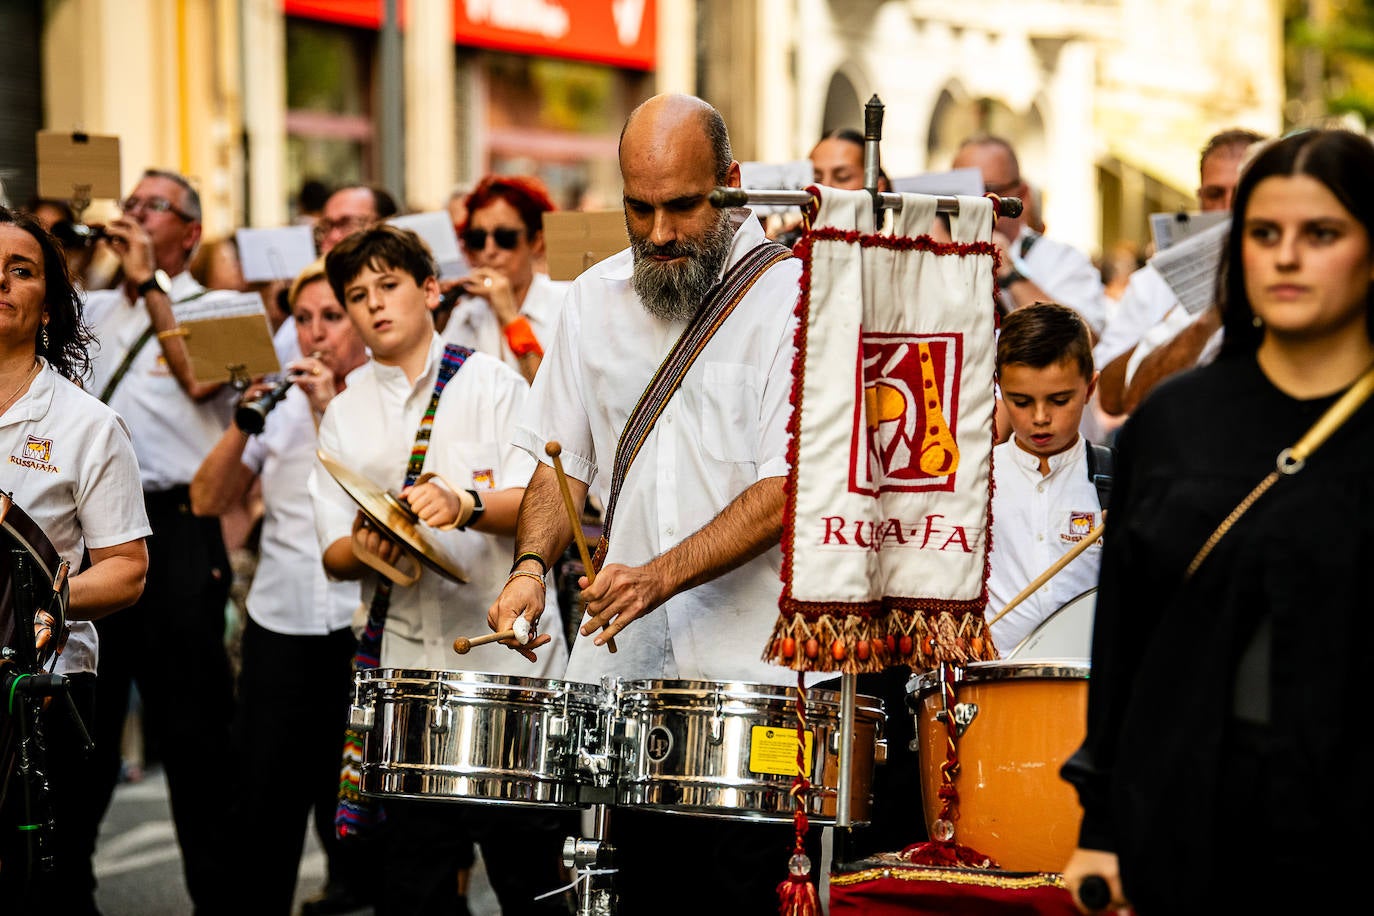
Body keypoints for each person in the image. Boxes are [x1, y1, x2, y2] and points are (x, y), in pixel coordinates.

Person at [487, 92, 822, 912]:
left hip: (760, 680)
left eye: (683, 206)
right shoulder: (592, 300)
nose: (661, 232)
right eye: (640, 208)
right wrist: (531, 566)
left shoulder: (798, 299)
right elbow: (559, 464)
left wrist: (656, 577)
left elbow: (786, 487)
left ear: (734, 186)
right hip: (624, 686)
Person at [1061, 128, 1374, 914]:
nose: (1287, 257)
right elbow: (1125, 633)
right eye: (1264, 234)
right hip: (1189, 824)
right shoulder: (1175, 423)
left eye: (1322, 234)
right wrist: (1101, 824)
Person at [308, 224, 572, 916]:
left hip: (508, 666)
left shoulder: (491, 383)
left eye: (389, 286)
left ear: (429, 290)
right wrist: (371, 545)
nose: (375, 305)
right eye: (357, 295)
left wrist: (466, 502)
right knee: (415, 879)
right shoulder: (342, 411)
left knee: (530, 870)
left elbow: (545, 500)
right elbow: (333, 552)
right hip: (408, 670)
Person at [188, 258, 373, 915]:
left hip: (358, 628)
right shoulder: (280, 403)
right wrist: (243, 419)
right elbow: (207, 499)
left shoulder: (382, 401)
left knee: (356, 809)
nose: (315, 334)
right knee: (263, 803)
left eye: (331, 317)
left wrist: (330, 411)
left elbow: (373, 506)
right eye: (302, 319)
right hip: (280, 625)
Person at [80, 167, 239, 912]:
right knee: (83, 724)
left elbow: (203, 381)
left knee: (195, 738)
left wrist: (150, 286)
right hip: (89, 536)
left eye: (155, 206)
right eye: (131, 202)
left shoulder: (228, 306)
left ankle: (216, 897)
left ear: (190, 230)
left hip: (178, 530)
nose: (135, 214)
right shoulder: (85, 304)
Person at [0, 206, 151, 915]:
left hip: (42, 692)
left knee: (41, 886)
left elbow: (126, 567)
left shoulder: (88, 424)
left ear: (51, 308)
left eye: (20, 270)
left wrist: (46, 609)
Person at [1094, 128, 1266, 417]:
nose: (1228, 207)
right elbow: (1112, 399)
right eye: (1214, 194)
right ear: (1199, 197)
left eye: (1241, 192)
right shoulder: (1153, 281)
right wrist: (1188, 318)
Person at [986, 302, 1104, 654]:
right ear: (999, 388)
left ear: (1090, 388)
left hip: (1086, 686)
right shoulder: (977, 481)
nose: (1040, 417)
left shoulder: (1118, 482)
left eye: (1059, 400)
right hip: (991, 686)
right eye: (1020, 401)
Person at [952, 135, 1108, 337]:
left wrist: (1009, 273)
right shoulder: (936, 255)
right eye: (958, 193)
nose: (970, 203)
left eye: (987, 191)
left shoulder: (1064, 260)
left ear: (1022, 194)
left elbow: (1084, 338)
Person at [440, 174, 566, 383]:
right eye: (478, 240)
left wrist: (509, 317)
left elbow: (552, 396)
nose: (489, 251)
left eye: (505, 238)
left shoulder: (565, 303)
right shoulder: (465, 313)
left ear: (536, 242)